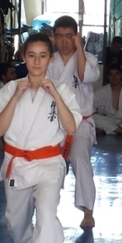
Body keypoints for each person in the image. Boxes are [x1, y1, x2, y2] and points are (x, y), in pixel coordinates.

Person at [0, 33, 80, 243]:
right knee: (16, 220)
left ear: (50, 59)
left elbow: (71, 127)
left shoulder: (61, 90)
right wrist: (17, 96)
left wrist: (55, 95)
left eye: (43, 56)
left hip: (48, 163)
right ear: (23, 57)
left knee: (47, 217)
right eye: (31, 55)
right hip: (17, 163)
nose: (37, 61)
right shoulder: (9, 89)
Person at [47, 16, 100, 229]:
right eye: (59, 36)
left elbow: (85, 77)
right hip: (54, 124)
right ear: (54, 38)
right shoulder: (49, 60)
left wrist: (80, 48)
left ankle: (88, 211)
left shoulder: (88, 58)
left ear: (77, 36)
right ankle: (47, 207)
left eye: (69, 36)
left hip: (81, 124)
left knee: (79, 157)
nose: (64, 41)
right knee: (50, 164)